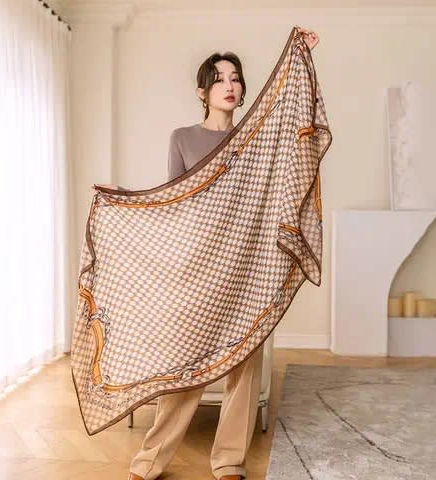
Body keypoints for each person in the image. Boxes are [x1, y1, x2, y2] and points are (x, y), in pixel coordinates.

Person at [97, 28, 319, 480]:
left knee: (244, 366)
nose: (229, 85)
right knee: (189, 364)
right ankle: (149, 461)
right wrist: (127, 197)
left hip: (247, 267)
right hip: (199, 267)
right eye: (219, 79)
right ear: (203, 92)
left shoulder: (253, 142)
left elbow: (291, 130)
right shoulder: (182, 138)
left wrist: (300, 59)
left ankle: (229, 461)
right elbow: (172, 201)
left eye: (235, 78)